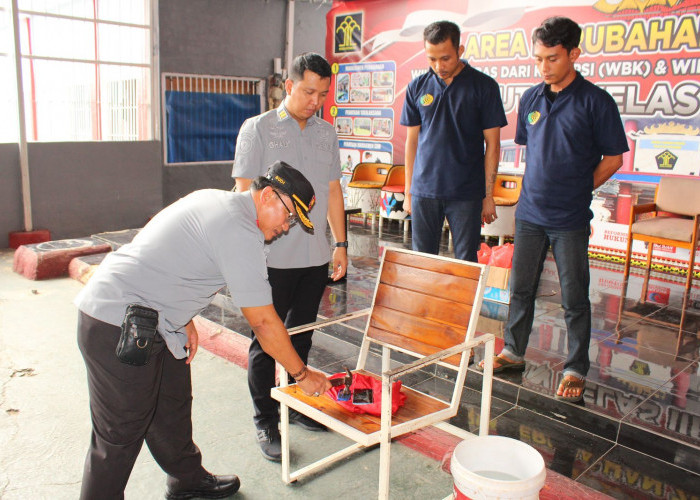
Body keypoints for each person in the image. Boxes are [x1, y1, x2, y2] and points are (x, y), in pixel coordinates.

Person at [75, 161, 332, 499]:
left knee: (173, 403)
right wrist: (302, 374)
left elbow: (164, 244)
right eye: (290, 215)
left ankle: (187, 479)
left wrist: (183, 315)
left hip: (156, 320)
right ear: (268, 195)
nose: (287, 226)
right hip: (116, 320)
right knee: (119, 434)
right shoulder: (239, 230)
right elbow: (264, 323)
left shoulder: (214, 200)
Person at [478, 17, 629, 403]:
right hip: (530, 214)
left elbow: (613, 158)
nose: (544, 67)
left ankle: (576, 366)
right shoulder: (530, 98)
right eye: (538, 59)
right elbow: (534, 148)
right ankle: (512, 351)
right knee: (521, 289)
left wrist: (579, 186)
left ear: (574, 54)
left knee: (574, 296)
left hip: (569, 218)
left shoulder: (596, 102)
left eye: (553, 58)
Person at [232, 52, 347, 462]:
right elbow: (243, 191)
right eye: (309, 91)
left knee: (303, 335)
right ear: (288, 84)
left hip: (314, 257)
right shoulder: (258, 128)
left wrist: (340, 244)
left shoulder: (326, 133)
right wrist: (243, 251)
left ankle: (295, 401)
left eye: (323, 94)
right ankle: (265, 418)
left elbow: (333, 189)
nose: (315, 100)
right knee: (267, 341)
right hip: (271, 257)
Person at [400, 20, 507, 262]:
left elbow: (493, 145)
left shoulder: (484, 87)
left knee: (465, 262)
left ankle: (461, 303)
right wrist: (409, 192)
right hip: (424, 191)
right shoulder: (417, 87)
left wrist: (488, 195)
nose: (439, 66)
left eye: (445, 58)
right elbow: (412, 142)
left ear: (460, 51)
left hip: (466, 193)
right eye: (431, 59)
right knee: (422, 261)